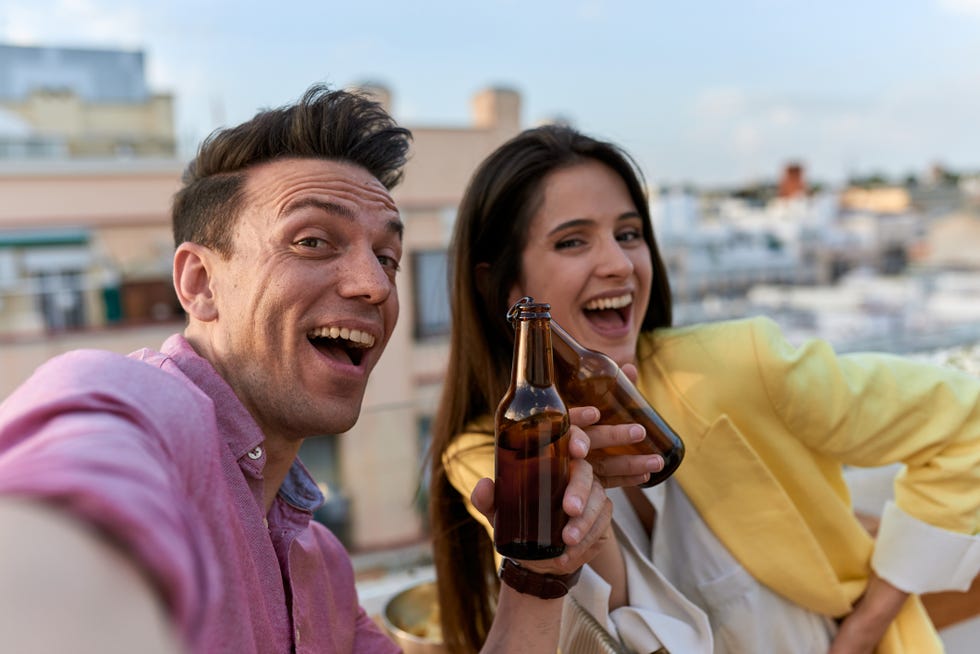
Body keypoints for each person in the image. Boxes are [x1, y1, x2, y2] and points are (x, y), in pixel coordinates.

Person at [0, 86, 616, 654]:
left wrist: (538, 576)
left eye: (388, 257)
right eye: (312, 241)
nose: (375, 286)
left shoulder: (322, 567)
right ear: (200, 283)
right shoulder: (139, 407)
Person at [428, 123, 980, 654]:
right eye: (573, 242)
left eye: (629, 234)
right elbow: (617, 625)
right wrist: (580, 505)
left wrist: (863, 631)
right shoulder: (494, 449)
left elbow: (965, 420)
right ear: (502, 285)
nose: (620, 264)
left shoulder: (735, 366)